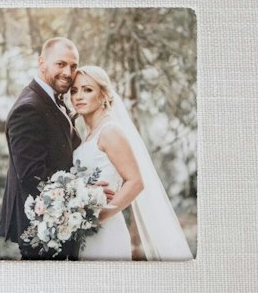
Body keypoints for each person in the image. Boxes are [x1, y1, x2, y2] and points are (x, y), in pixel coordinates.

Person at [72, 66, 193, 261]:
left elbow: (136, 182)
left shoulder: (110, 131)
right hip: (85, 229)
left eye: (87, 90)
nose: (78, 96)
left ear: (103, 95)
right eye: (74, 91)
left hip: (105, 229)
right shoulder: (89, 135)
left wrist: (99, 217)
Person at [0, 37, 85, 259]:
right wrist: (82, 194)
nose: (68, 72)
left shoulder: (51, 99)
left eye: (73, 66)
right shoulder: (29, 108)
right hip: (41, 226)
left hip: (60, 222)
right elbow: (32, 174)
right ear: (41, 62)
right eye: (61, 64)